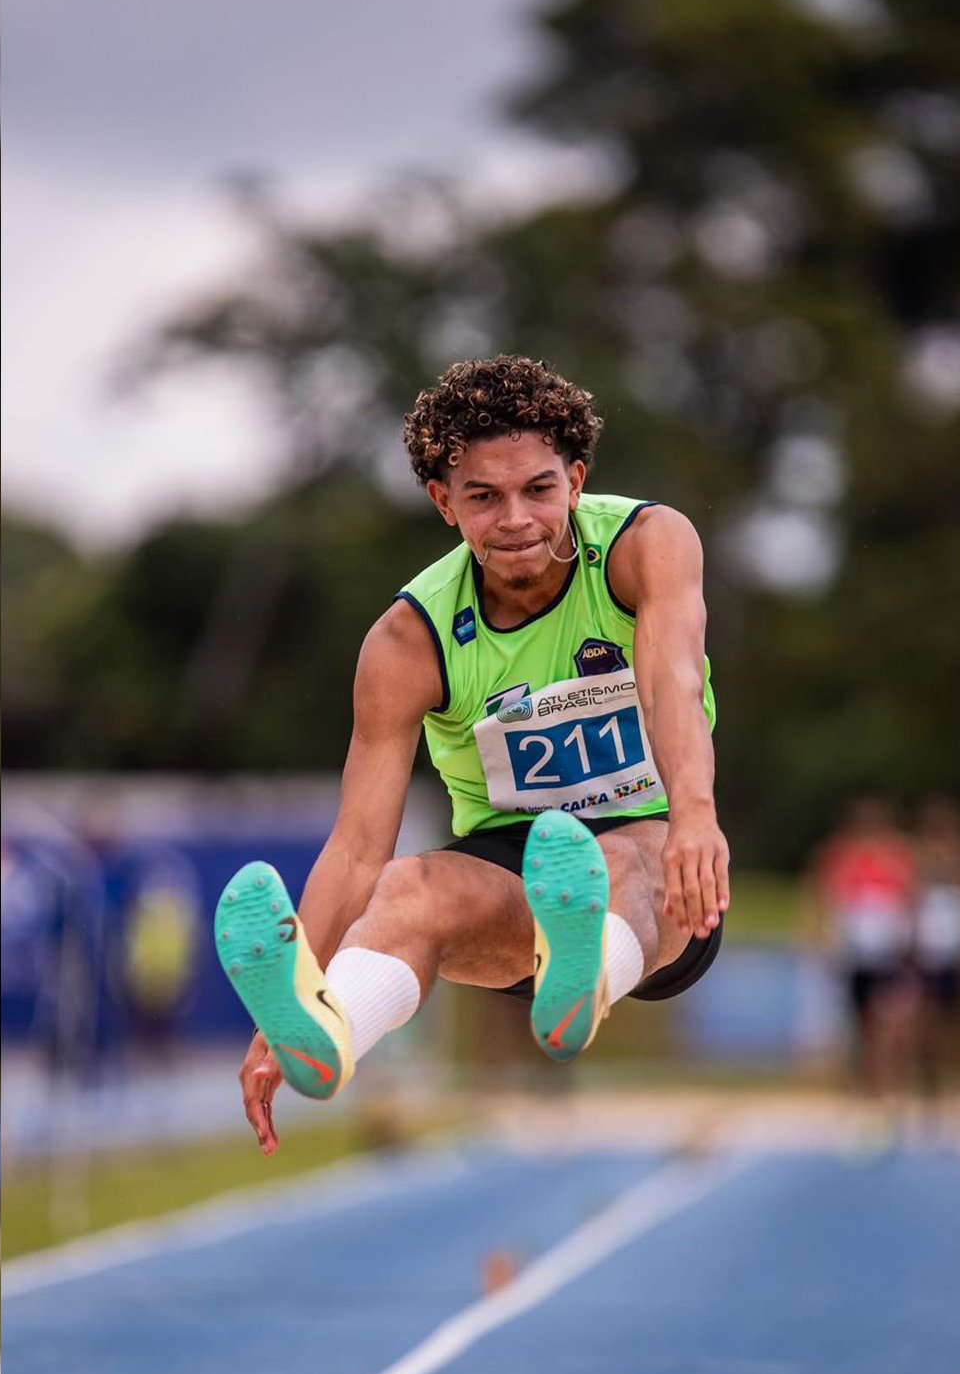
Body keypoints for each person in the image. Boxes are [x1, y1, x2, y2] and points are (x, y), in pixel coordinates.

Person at [219, 355, 728, 1153]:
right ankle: (331, 1028)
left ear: (577, 480)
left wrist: (696, 815)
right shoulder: (407, 639)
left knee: (622, 861)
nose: (516, 518)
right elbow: (357, 847)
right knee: (405, 887)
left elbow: (670, 682)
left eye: (539, 489)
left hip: (660, 856)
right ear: (443, 502)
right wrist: (286, 1004)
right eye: (484, 498)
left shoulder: (648, 545)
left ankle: (587, 973)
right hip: (515, 869)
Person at [808, 797, 918, 1100]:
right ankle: (860, 1085)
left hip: (887, 953)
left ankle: (887, 1084)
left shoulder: (898, 855)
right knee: (855, 1021)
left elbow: (909, 900)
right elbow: (828, 899)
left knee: (887, 1023)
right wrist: (825, 938)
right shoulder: (841, 855)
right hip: (854, 952)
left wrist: (908, 944)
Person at [909, 797, 960, 1121]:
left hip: (958, 955)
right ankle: (929, 1092)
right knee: (926, 1027)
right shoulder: (917, 862)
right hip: (928, 956)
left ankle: (953, 1090)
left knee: (957, 1027)